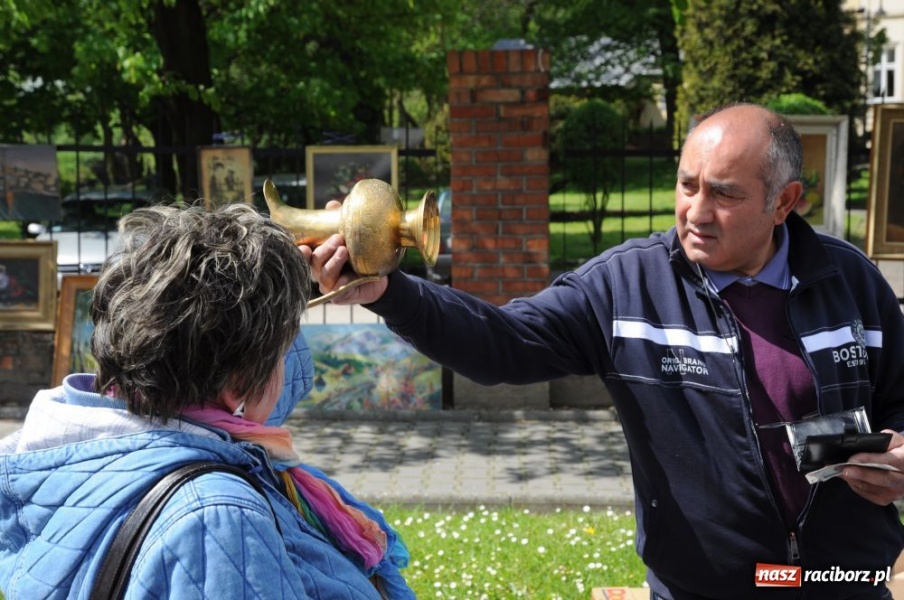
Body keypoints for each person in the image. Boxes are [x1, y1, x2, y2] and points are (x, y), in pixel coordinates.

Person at [305, 103, 904, 599]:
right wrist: (392, 293)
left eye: (724, 194)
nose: (696, 212)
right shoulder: (628, 287)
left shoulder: (850, 283)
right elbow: (501, 344)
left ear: (784, 201)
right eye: (686, 185)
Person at [0, 204, 413, 599]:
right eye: (279, 350)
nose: (285, 364)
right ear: (240, 383)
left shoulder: (97, 431)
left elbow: (246, 381)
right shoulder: (217, 523)